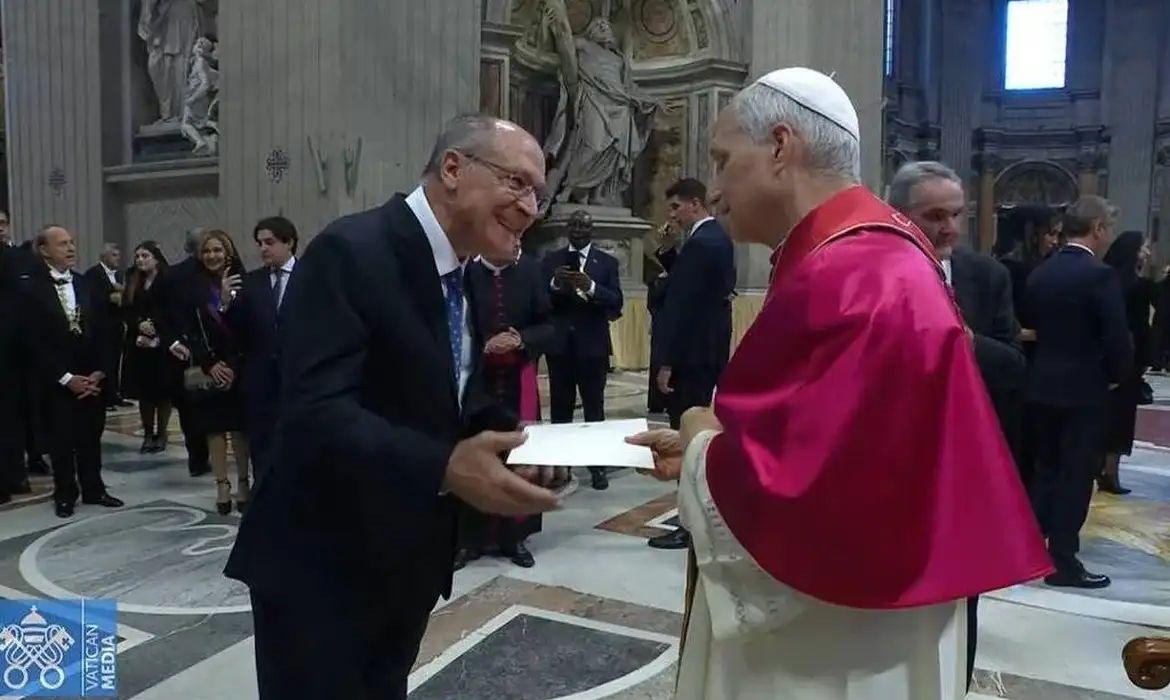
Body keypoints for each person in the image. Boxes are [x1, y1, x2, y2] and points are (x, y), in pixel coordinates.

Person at [627, 67, 1051, 699]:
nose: (713, 190)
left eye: (722, 161)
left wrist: (698, 436)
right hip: (861, 624)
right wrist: (716, 443)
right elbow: (825, 447)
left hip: (837, 644)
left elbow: (811, 502)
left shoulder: (857, 274)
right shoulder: (857, 258)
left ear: (779, 146)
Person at [223, 114, 562, 700]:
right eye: (517, 183)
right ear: (453, 168)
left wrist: (516, 436)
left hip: (406, 558)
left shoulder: (460, 269)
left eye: (538, 192)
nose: (531, 208)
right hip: (323, 564)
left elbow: (453, 389)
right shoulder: (351, 251)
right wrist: (444, 467)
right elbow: (316, 412)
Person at [888, 160, 1026, 690]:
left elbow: (1014, 365)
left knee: (961, 595)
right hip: (891, 466)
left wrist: (969, 344)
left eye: (956, 215)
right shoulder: (871, 273)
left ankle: (953, 688)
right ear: (900, 216)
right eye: (934, 216)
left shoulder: (986, 277)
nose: (949, 228)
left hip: (962, 465)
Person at [1024, 196, 1132, 589]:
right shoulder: (1099, 276)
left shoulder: (1041, 272)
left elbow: (1032, 328)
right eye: (1109, 229)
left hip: (1041, 384)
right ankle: (1063, 560)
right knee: (1076, 475)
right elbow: (1116, 337)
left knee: (1045, 469)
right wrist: (1116, 376)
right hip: (1083, 389)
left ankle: (1029, 550)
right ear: (1098, 228)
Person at [457, 240, 560, 569]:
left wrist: (520, 339)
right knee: (474, 454)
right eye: (507, 234)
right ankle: (469, 540)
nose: (515, 242)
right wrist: (484, 345)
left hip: (518, 380)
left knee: (519, 453)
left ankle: (514, 538)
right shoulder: (467, 274)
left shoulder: (530, 271)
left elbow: (549, 326)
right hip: (478, 383)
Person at [649, 177, 735, 552]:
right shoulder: (713, 238)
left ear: (695, 204)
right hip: (706, 351)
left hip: (692, 355)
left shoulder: (702, 243)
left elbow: (681, 305)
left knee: (686, 436)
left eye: (675, 207)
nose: (672, 215)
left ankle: (688, 523)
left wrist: (667, 361)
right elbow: (687, 283)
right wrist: (669, 254)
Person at [21, 226, 124, 518]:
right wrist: (66, 378)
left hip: (91, 377)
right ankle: (65, 492)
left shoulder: (85, 283)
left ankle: (94, 488)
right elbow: (32, 341)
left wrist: (100, 371)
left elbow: (103, 330)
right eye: (62, 244)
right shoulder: (31, 289)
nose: (71, 249)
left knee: (91, 436)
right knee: (61, 440)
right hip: (56, 380)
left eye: (72, 243)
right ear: (44, 250)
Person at [177, 229, 251, 514]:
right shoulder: (192, 288)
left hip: (239, 366)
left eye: (218, 250)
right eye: (207, 251)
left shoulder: (244, 283)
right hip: (209, 367)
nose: (212, 256)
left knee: (240, 428)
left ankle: (243, 481)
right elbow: (190, 331)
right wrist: (211, 364)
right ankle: (222, 484)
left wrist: (232, 365)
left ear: (228, 253)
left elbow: (249, 329)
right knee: (215, 428)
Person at [226, 216, 299, 480]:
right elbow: (237, 330)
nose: (263, 249)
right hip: (260, 378)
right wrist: (225, 303)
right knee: (262, 445)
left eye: (269, 242)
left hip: (298, 376)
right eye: (259, 243)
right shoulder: (251, 281)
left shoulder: (312, 276)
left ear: (289, 243)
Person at [1100, 230, 1153, 494]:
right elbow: (1142, 328)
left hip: (1103, 357)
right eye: (1143, 248)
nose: (1147, 253)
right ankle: (1111, 471)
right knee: (1121, 418)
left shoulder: (1104, 279)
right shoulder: (1139, 286)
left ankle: (1098, 467)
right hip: (1129, 358)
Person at [120, 241, 178, 453]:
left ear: (156, 258)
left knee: (163, 393)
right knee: (145, 394)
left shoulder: (168, 280)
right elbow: (126, 309)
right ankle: (147, 434)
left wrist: (156, 330)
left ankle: (161, 433)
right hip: (139, 344)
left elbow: (172, 310)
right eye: (137, 256)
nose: (140, 260)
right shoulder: (133, 279)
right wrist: (138, 324)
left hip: (163, 345)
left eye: (145, 256)